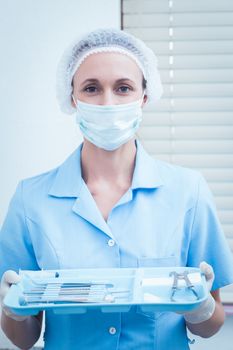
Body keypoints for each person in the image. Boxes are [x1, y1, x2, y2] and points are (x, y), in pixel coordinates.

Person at [0, 28, 233, 350]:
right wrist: (13, 311)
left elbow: (211, 326)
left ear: (144, 97)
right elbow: (24, 340)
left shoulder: (187, 191)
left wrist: (200, 308)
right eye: (91, 88)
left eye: (123, 88)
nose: (108, 102)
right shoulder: (31, 200)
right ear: (72, 99)